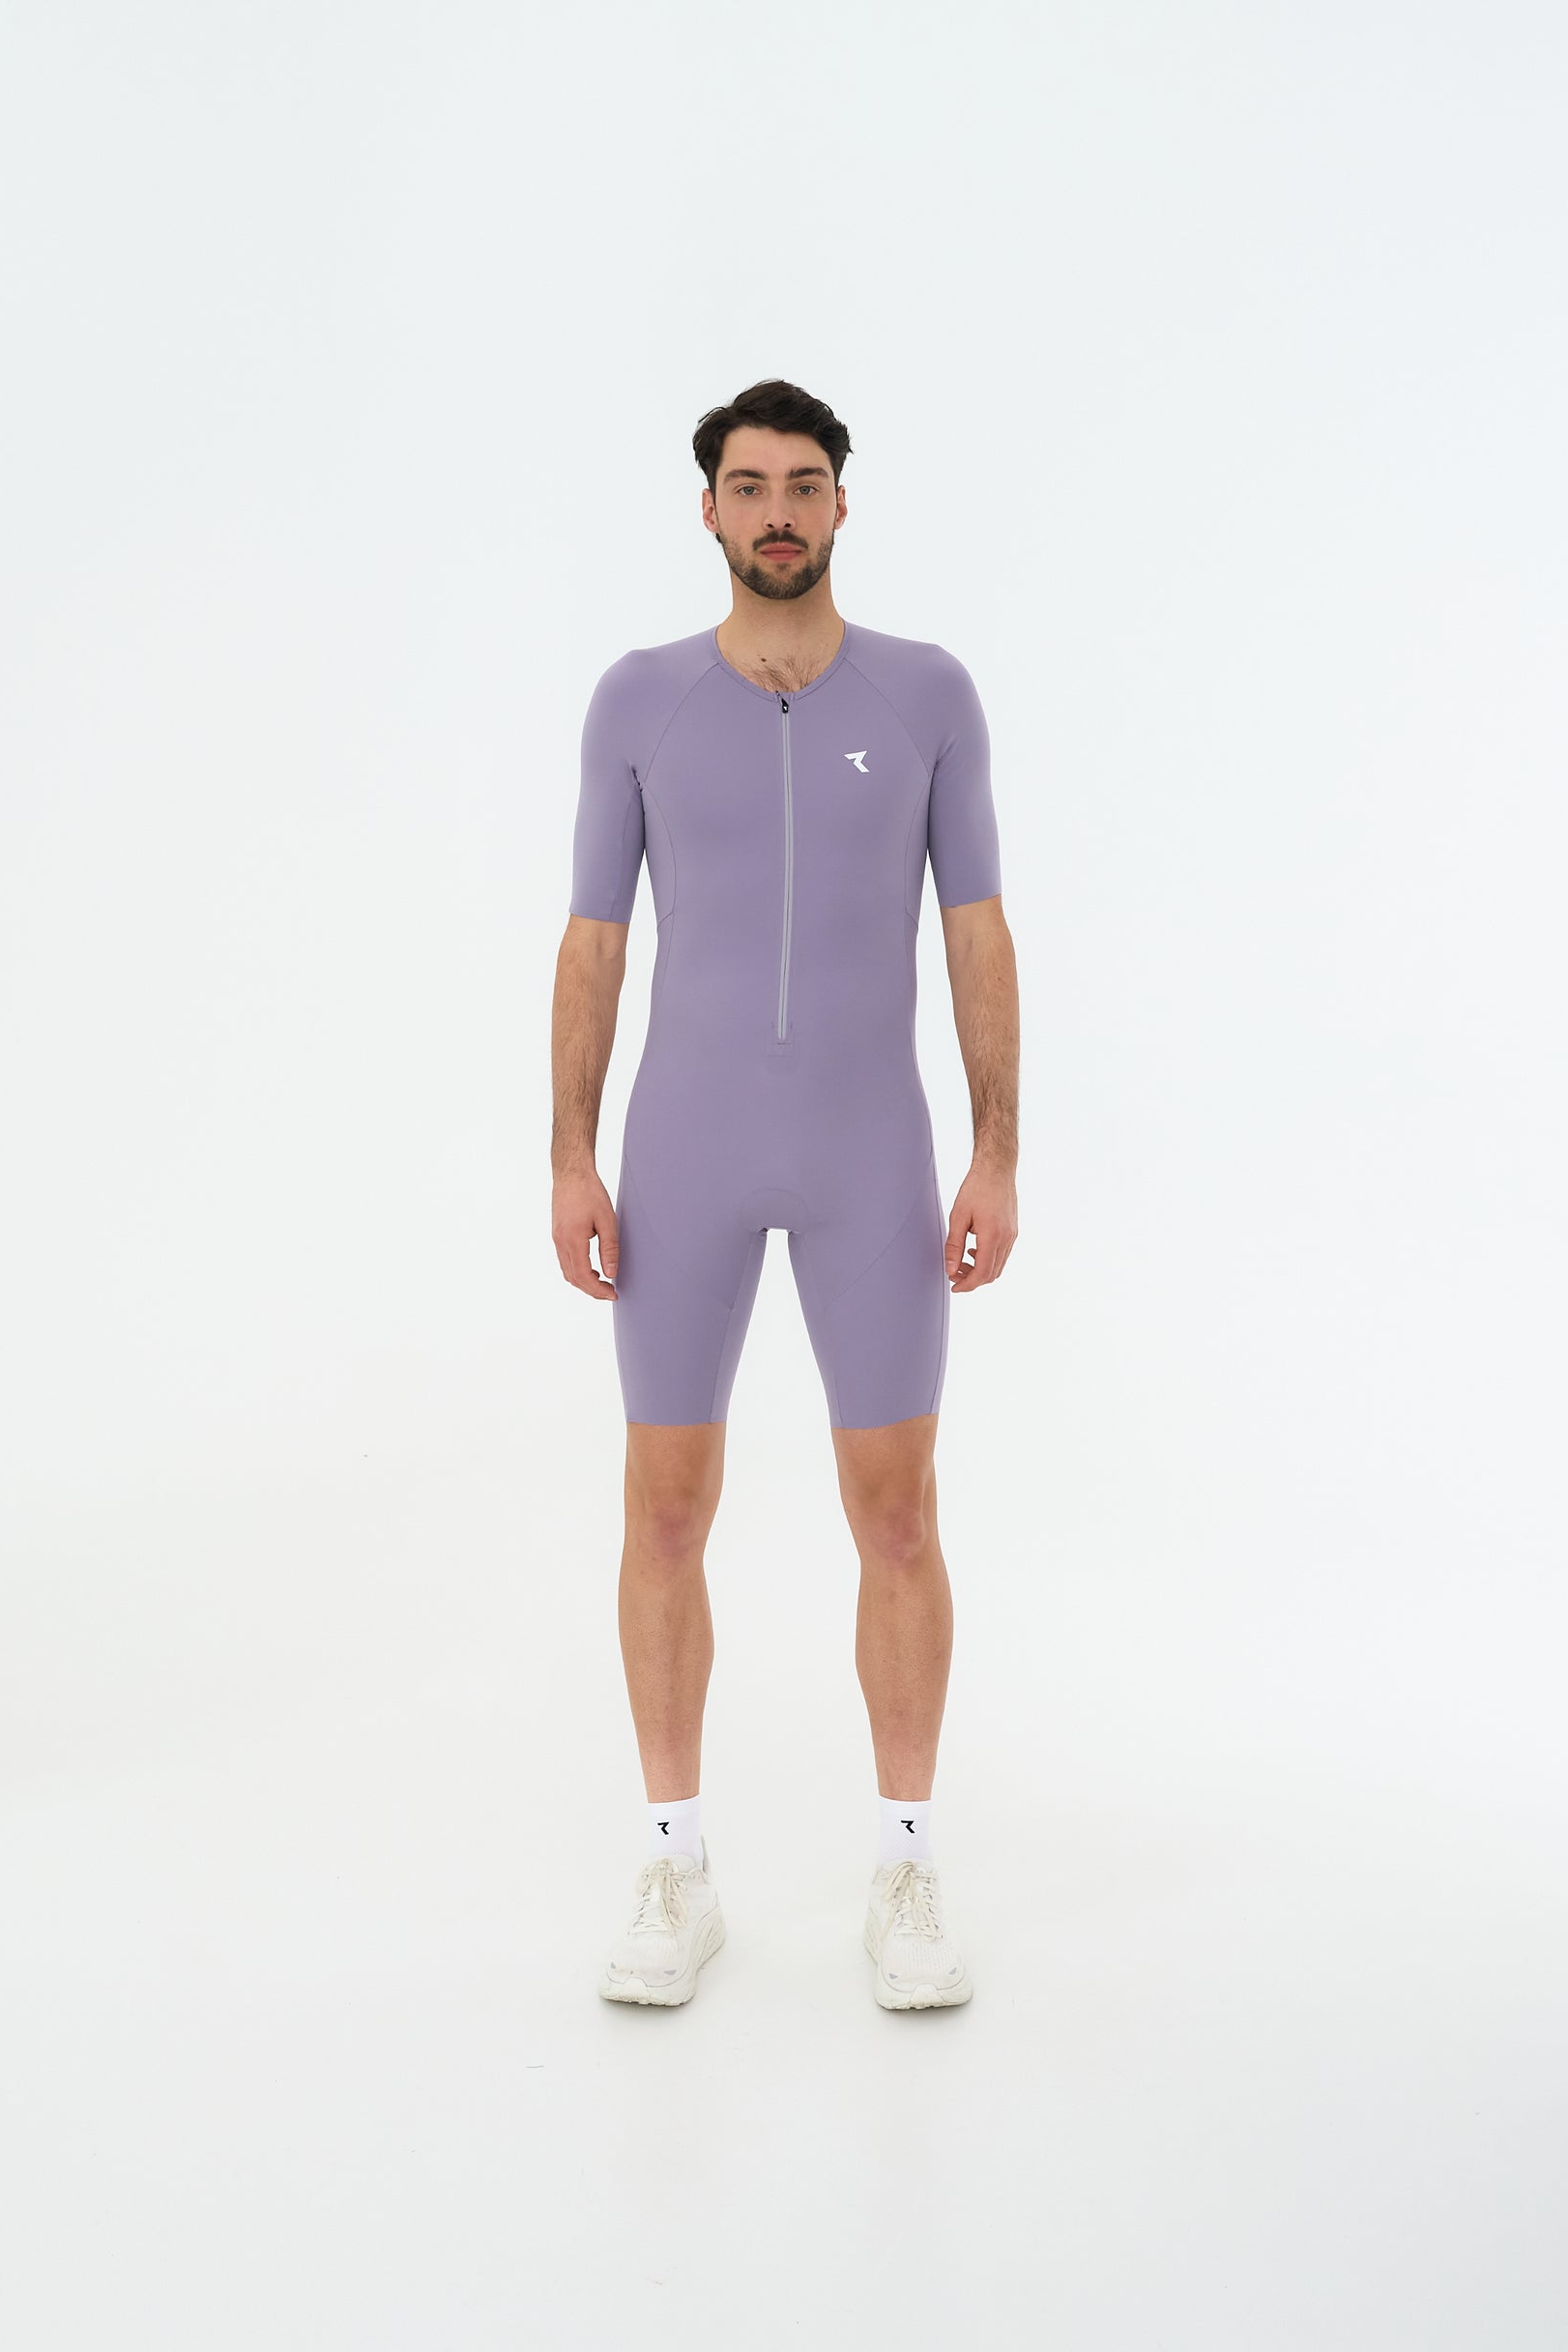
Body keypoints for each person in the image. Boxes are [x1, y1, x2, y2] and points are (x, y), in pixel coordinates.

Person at [549, 379, 1020, 2011]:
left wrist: (997, 1147)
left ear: (838, 506)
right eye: (746, 485)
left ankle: (905, 1863)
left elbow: (976, 928)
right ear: (707, 510)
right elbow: (593, 941)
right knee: (663, 1511)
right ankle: (673, 1864)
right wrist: (568, 1152)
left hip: (865, 1152)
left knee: (896, 1516)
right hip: (680, 1152)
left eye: (801, 484)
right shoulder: (638, 701)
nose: (774, 510)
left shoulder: (927, 694)